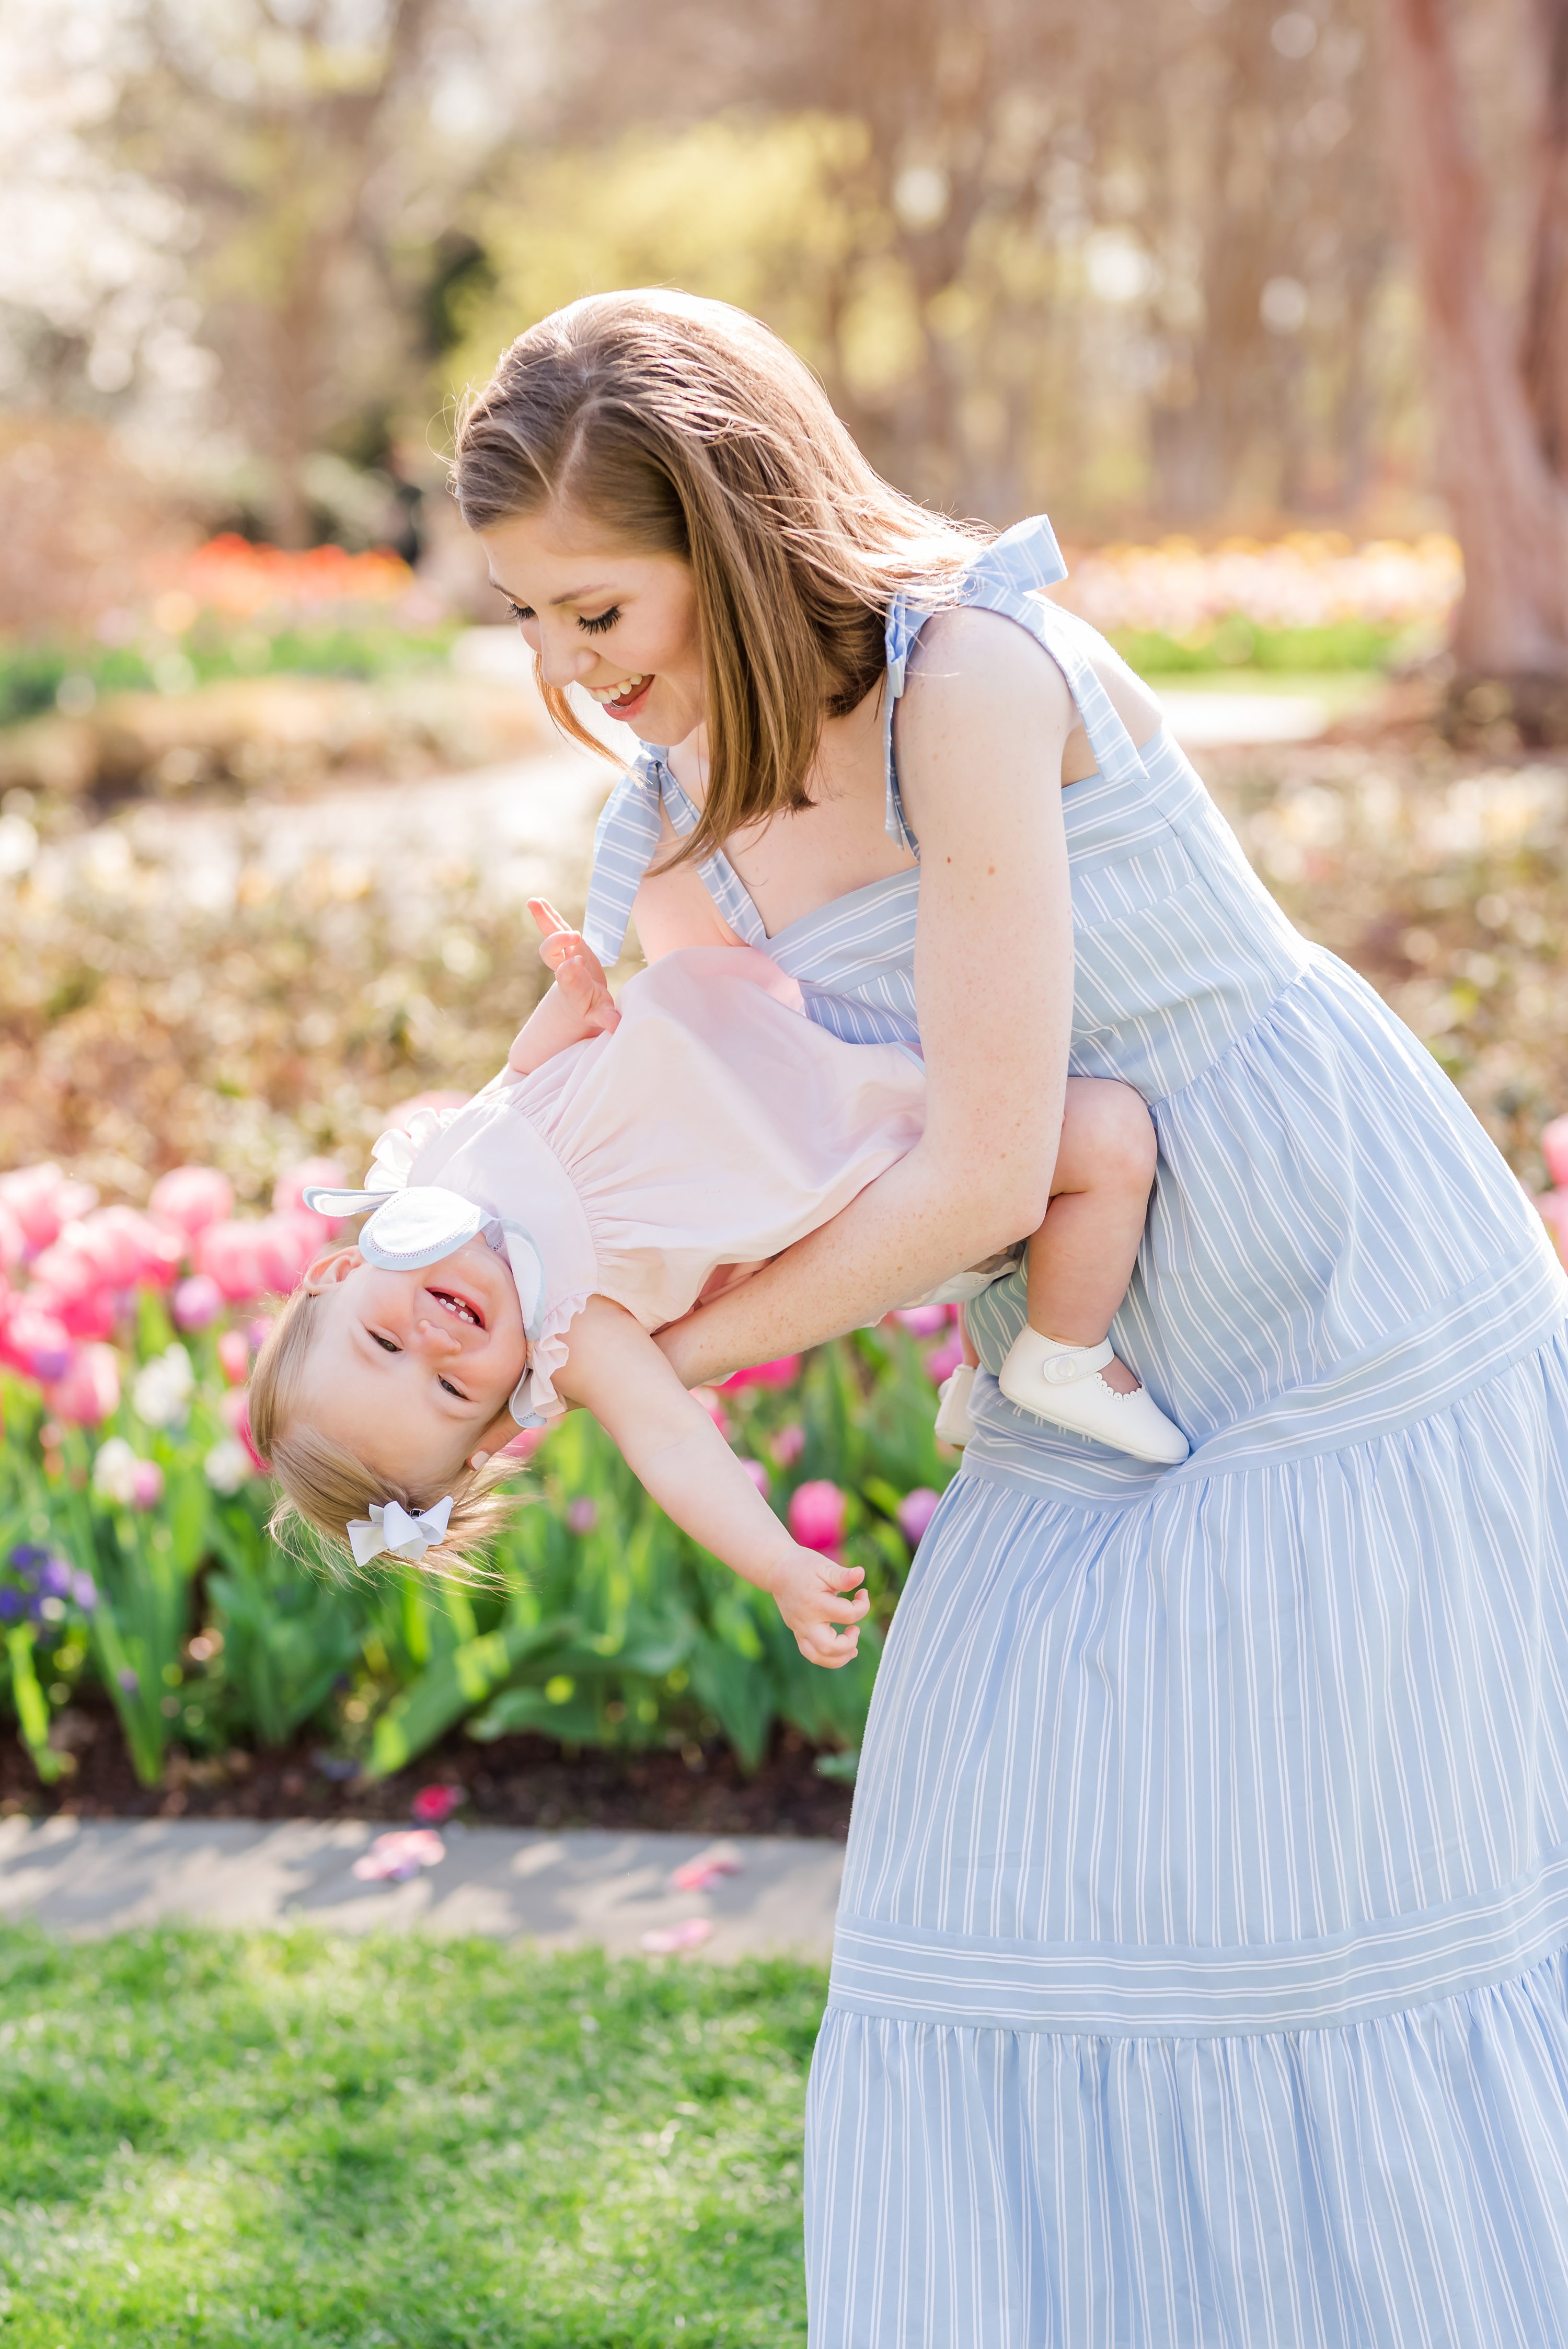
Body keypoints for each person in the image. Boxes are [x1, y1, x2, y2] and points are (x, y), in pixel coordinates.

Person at [450, 289, 1568, 2347]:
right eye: (524, 620)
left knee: (1339, 1931)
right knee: (975, 1893)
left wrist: (647, 1371)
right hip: (1080, 1367)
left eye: (594, 612)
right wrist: (492, 1307)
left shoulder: (973, 672)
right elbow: (683, 1165)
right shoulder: (660, 840)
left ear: (734, 526)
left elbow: (976, 1170)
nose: (566, 676)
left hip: (1340, 1306)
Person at [249, 894, 1184, 1644]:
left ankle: (988, 1355)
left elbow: (521, 1084)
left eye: (384, 1340)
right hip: (841, 1148)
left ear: (336, 1271)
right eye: (452, 1389)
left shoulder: (434, 1169)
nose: (435, 1342)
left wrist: (568, 1001)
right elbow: (673, 1449)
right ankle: (1061, 1346)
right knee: (1105, 1140)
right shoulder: (573, 1330)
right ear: (498, 1419)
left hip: (785, 1044)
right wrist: (778, 1564)